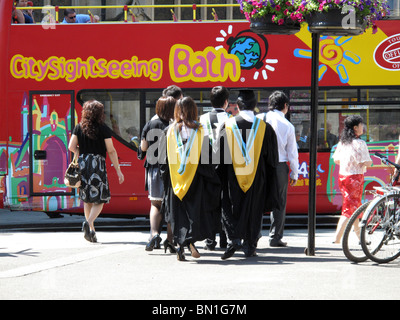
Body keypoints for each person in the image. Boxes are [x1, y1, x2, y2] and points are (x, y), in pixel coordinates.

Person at [217, 90, 279, 259]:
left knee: (231, 207)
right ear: (255, 106)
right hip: (257, 177)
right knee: (254, 210)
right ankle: (250, 246)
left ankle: (234, 239)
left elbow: (219, 157)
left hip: (232, 176)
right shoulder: (265, 128)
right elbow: (272, 159)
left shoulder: (227, 126)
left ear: (237, 105)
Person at [159, 97, 221, 261]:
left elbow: (162, 160)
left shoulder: (169, 131)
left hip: (176, 180)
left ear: (176, 111)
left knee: (178, 213)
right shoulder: (201, 130)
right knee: (193, 212)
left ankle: (181, 246)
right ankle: (190, 242)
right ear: (194, 110)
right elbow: (208, 158)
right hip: (196, 178)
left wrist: (167, 178)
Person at [68, 100, 124, 242]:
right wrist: (118, 170)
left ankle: (91, 231)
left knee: (87, 199)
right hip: (97, 165)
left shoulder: (79, 127)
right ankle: (88, 223)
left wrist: (81, 151)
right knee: (100, 198)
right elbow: (111, 150)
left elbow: (71, 147)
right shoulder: (103, 128)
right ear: (99, 113)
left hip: (83, 163)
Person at [257, 91, 299, 247]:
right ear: (285, 106)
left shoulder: (258, 119)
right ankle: (275, 237)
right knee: (279, 201)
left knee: (257, 198)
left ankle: (254, 235)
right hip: (279, 166)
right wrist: (295, 173)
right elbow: (292, 153)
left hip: (259, 165)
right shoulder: (287, 125)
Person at [140, 96, 176, 253]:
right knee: (171, 207)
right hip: (172, 170)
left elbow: (143, 147)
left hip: (154, 169)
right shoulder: (175, 125)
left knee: (155, 204)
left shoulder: (150, 124)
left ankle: (154, 234)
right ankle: (170, 240)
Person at [332, 115, 372, 244]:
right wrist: (365, 163)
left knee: (353, 207)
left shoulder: (343, 142)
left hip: (343, 176)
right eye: (361, 125)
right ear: (355, 128)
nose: (363, 127)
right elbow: (367, 162)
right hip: (355, 178)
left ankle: (361, 238)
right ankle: (337, 238)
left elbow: (336, 159)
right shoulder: (360, 143)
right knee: (349, 210)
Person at [199, 86, 230, 250]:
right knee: (225, 202)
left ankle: (210, 241)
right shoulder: (231, 118)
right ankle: (224, 239)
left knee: (209, 203)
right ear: (226, 102)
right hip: (225, 165)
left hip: (207, 165)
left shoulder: (202, 118)